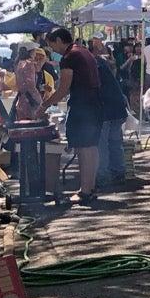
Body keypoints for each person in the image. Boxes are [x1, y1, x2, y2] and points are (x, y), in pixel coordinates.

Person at [44, 27, 103, 205]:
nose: (52, 50)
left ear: (60, 40)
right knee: (91, 147)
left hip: (82, 106)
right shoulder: (84, 51)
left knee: (83, 148)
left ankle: (85, 191)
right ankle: (90, 187)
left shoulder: (69, 57)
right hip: (96, 103)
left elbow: (63, 88)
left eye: (52, 45)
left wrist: (44, 105)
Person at [87, 38, 133, 188]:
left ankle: (103, 175)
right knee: (115, 142)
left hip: (106, 109)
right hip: (117, 107)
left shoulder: (94, 65)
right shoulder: (103, 63)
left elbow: (95, 89)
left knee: (103, 144)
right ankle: (119, 172)